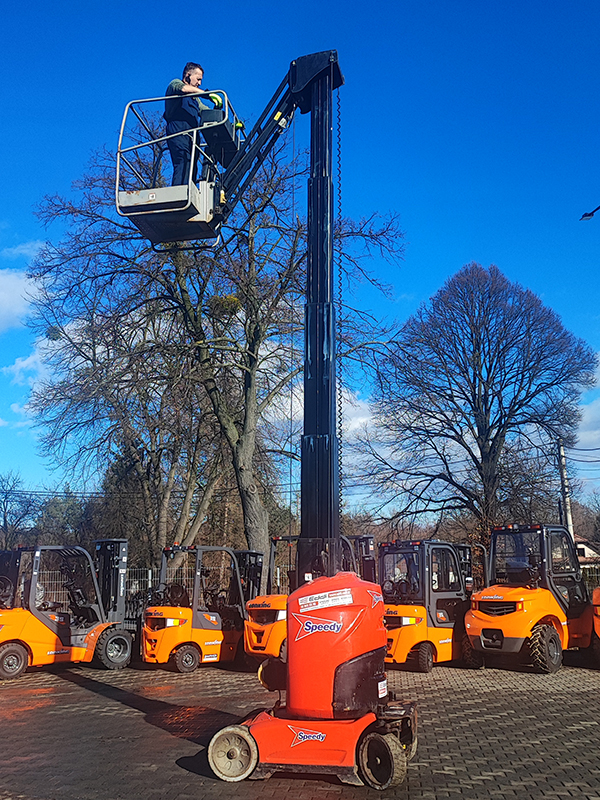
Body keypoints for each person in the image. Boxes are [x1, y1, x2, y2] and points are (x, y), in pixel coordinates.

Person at [164, 62, 209, 186]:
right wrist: (205, 94)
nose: (200, 83)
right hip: (178, 132)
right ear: (188, 75)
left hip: (193, 138)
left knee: (192, 167)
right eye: (198, 79)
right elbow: (183, 89)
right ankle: (178, 197)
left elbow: (205, 111)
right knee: (183, 162)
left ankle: (190, 193)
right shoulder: (175, 84)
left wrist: (226, 117)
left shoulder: (196, 100)